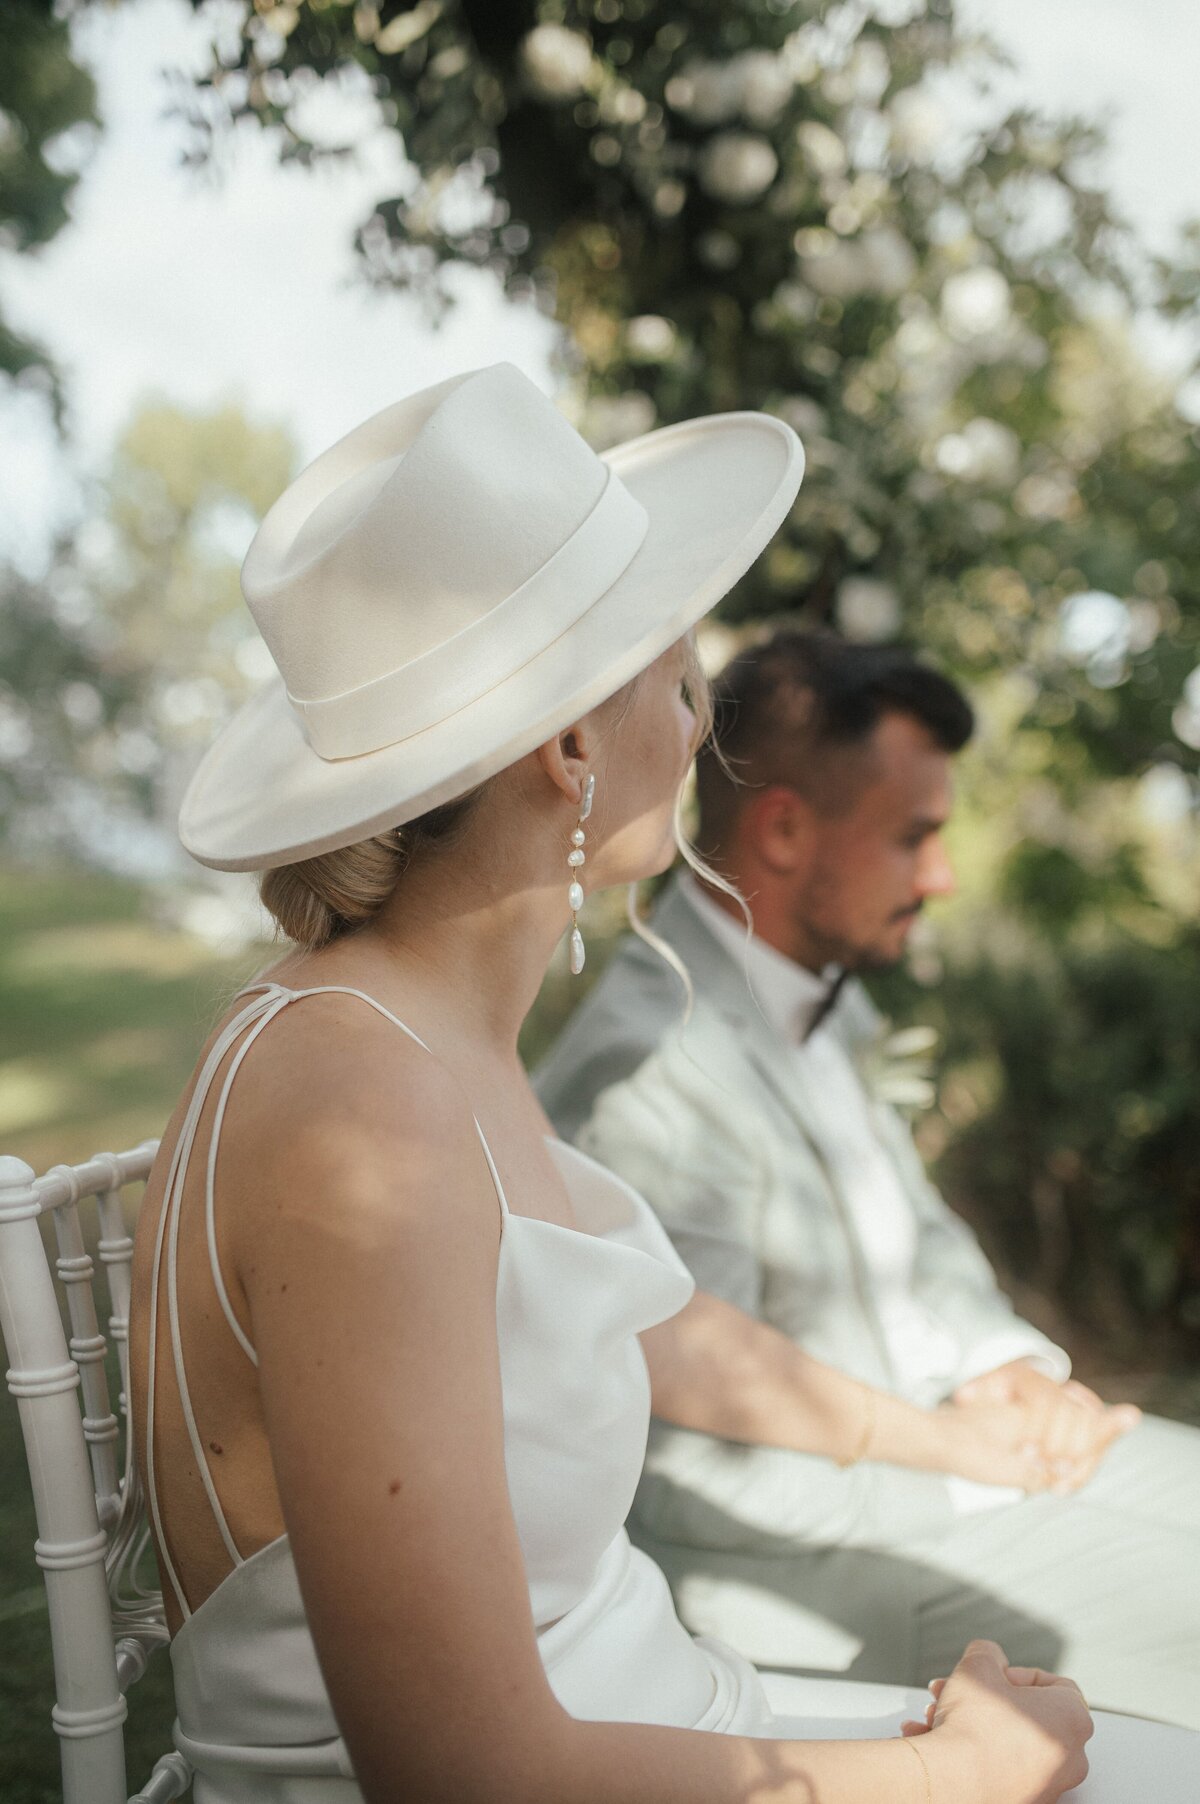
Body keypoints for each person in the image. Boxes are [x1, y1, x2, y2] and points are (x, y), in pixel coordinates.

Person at [127, 364, 1194, 1804]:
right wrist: (958, 1775)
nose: (699, 725)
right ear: (570, 747)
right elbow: (462, 1769)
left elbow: (664, 1333)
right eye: (680, 672)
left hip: (680, 1716)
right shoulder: (359, 1105)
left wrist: (954, 1434)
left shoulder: (426, 1045)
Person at [538, 628, 1200, 1732]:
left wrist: (1013, 1373)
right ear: (786, 828)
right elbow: (684, 1465)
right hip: (810, 1574)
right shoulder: (656, 1067)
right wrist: (970, 1468)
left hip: (956, 1467)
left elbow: (923, 1243)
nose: (940, 875)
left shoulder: (809, 993)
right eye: (914, 838)